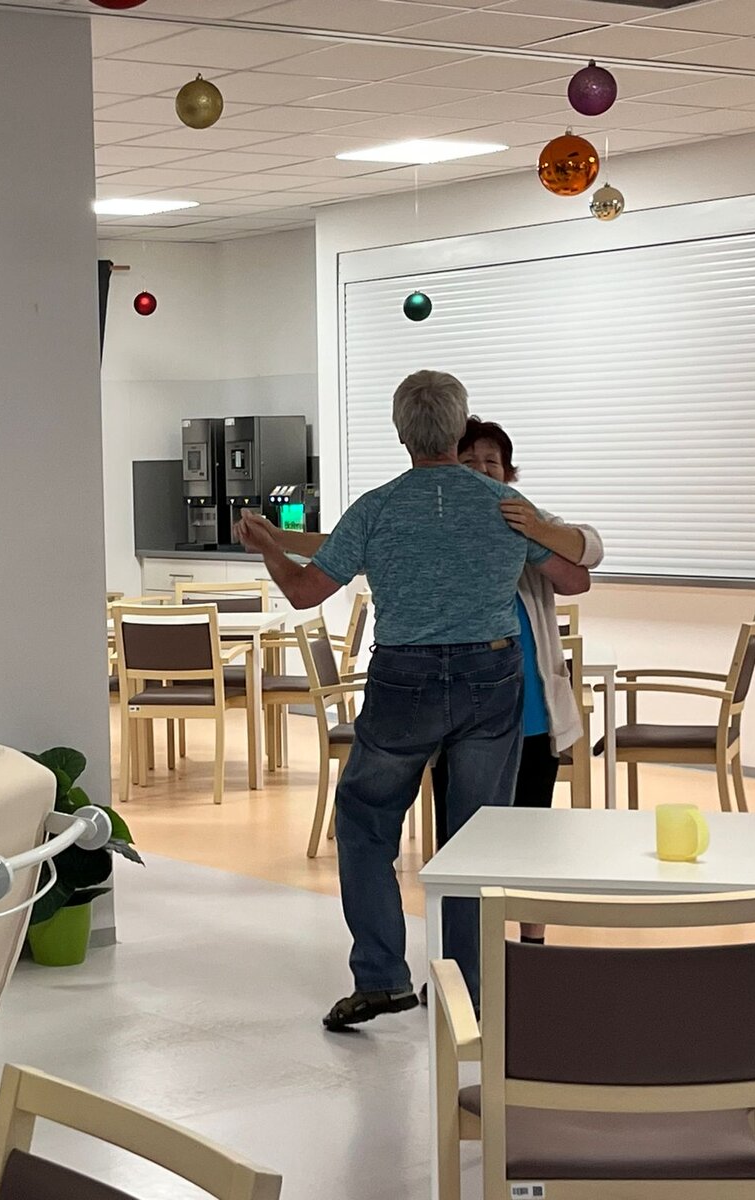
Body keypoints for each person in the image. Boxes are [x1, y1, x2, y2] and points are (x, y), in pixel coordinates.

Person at [233, 370, 589, 1031]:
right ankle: (467, 990)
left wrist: (270, 551)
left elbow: (306, 592)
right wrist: (543, 532)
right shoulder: (505, 504)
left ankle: (381, 977)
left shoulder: (376, 508)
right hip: (492, 673)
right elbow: (573, 579)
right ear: (458, 429)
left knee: (366, 818)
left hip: (405, 678)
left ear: (401, 434)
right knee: (475, 834)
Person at [430, 418, 604, 945]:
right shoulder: (437, 528)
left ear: (508, 473)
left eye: (493, 462)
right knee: (460, 841)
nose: (483, 471)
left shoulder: (526, 520)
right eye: (469, 462)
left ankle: (532, 945)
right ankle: (461, 955)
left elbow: (588, 554)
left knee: (531, 835)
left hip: (530, 711)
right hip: (458, 714)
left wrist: (532, 530)